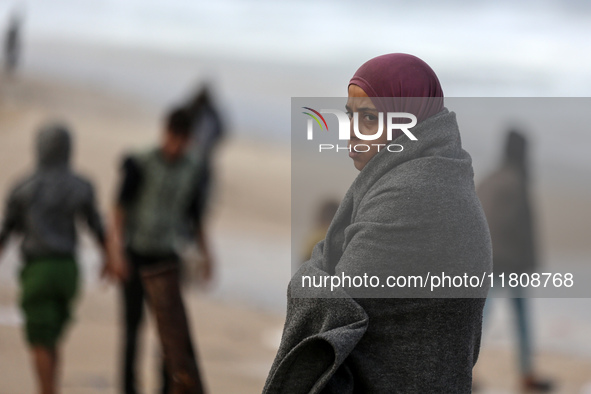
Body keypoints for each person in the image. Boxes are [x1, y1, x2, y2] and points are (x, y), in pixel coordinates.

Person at [264, 53, 492, 393]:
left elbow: (334, 307)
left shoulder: (412, 197)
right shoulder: (448, 177)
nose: (351, 134)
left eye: (369, 118)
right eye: (350, 116)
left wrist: (309, 273)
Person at [109, 107, 213, 394]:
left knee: (170, 332)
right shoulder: (139, 162)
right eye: (172, 138)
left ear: (190, 139)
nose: (176, 146)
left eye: (182, 140)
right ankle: (128, 388)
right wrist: (114, 252)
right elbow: (118, 209)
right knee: (132, 329)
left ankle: (167, 389)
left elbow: (195, 216)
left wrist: (207, 255)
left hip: (168, 257)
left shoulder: (194, 169)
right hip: (136, 253)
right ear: (164, 131)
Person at [0, 123, 108, 394]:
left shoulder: (23, 187)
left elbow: (6, 231)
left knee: (40, 338)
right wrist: (112, 257)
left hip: (39, 269)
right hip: (68, 270)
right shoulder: (81, 186)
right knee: (52, 337)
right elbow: (97, 226)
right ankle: (51, 388)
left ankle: (46, 390)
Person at [477, 130, 553, 392]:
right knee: (519, 315)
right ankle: (526, 373)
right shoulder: (517, 180)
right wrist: (532, 261)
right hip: (509, 261)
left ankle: (464, 368)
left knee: (481, 315)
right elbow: (523, 228)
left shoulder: (489, 179)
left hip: (484, 257)